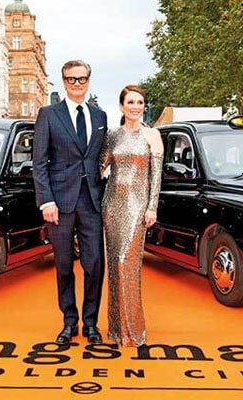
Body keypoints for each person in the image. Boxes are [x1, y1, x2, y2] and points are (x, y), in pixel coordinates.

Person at [33, 60, 108, 345]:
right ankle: (69, 321)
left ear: (89, 80)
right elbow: (39, 163)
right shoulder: (49, 114)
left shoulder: (100, 116)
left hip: (91, 201)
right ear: (63, 82)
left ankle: (91, 323)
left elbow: (100, 157)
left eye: (82, 79)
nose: (77, 84)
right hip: (59, 203)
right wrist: (46, 201)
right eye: (71, 79)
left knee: (94, 264)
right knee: (64, 265)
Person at [99, 85, 163, 347]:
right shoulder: (112, 136)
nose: (135, 106)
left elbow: (156, 175)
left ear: (143, 106)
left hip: (138, 208)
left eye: (140, 102)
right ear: (121, 106)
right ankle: (116, 329)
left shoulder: (153, 136)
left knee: (128, 263)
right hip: (112, 206)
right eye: (130, 102)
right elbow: (100, 165)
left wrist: (152, 207)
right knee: (115, 266)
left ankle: (134, 330)